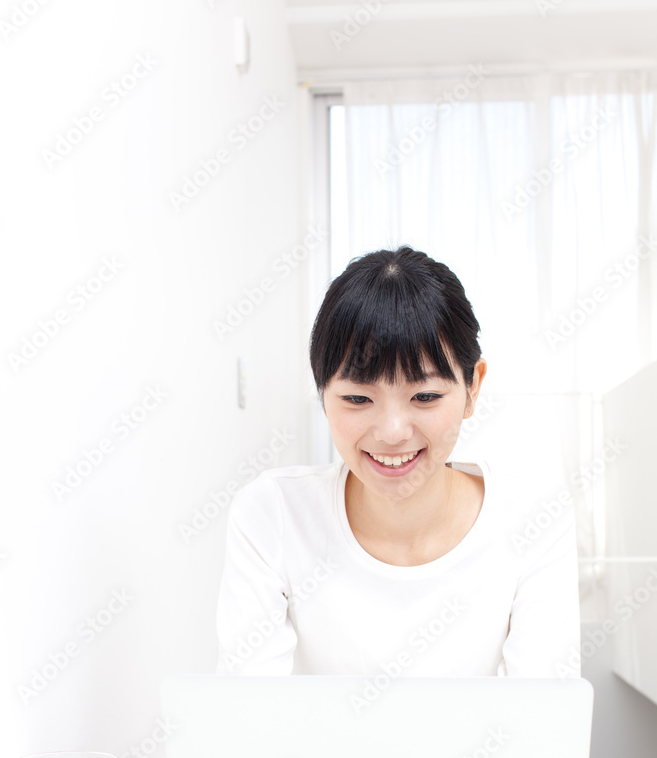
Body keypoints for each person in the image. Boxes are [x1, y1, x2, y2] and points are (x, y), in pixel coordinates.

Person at [216, 245, 581, 677]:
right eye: (357, 398)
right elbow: (248, 717)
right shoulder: (272, 513)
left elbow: (541, 722)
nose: (392, 432)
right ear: (322, 394)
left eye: (424, 396)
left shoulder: (533, 517)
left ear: (473, 388)